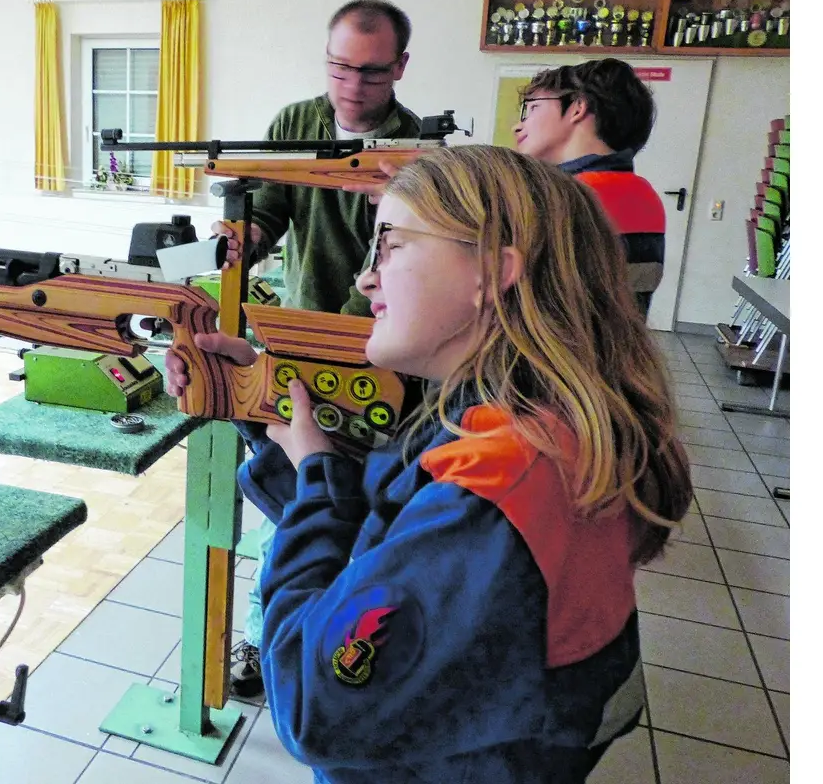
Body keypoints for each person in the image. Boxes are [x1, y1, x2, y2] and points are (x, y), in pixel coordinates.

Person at [164, 145, 694, 782]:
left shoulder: (501, 482)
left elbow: (312, 704)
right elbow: (381, 535)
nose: (366, 279)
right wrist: (265, 414)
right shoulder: (515, 421)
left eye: (391, 245)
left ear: (490, 273)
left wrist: (315, 482)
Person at [214, 0, 425, 698]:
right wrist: (246, 238)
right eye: (340, 68)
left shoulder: (416, 146)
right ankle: (268, 636)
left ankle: (302, 639)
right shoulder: (294, 125)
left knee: (327, 492)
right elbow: (269, 211)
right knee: (285, 486)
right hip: (295, 337)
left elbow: (404, 250)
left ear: (399, 67)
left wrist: (339, 337)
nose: (352, 87)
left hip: (371, 342)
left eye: (371, 73)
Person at [510, 58, 666, 317]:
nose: (518, 125)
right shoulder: (643, 194)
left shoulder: (563, 196)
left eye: (533, 108)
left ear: (577, 108)